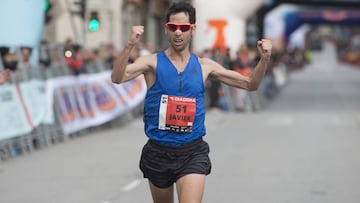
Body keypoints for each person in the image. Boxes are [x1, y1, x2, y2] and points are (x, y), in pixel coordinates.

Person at [111, 2, 272, 203]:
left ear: (192, 29)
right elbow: (117, 77)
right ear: (166, 28)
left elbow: (250, 84)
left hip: (191, 151)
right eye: (173, 27)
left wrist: (264, 59)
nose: (178, 33)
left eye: (184, 28)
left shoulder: (205, 66)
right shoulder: (151, 63)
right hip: (158, 151)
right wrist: (129, 45)